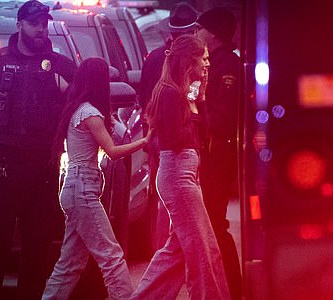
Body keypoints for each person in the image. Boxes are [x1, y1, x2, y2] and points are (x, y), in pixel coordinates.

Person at [0, 1, 77, 298]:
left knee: (38, 250)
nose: (41, 28)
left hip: (44, 171)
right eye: (34, 23)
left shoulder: (62, 67)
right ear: (19, 25)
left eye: (44, 23)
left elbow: (83, 112)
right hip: (2, 170)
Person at [131, 35, 231, 299]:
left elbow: (205, 132)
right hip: (177, 173)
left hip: (187, 172)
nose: (208, 64)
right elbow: (175, 139)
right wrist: (194, 112)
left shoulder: (188, 90)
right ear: (190, 60)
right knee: (204, 249)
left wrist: (201, 95)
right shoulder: (169, 92)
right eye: (204, 58)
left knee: (177, 251)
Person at [42, 57, 151, 300]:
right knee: (111, 256)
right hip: (83, 190)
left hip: (75, 187)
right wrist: (143, 142)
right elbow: (112, 151)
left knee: (70, 264)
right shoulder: (90, 113)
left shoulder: (78, 109)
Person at [137, 1, 200, 253]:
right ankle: (174, 249)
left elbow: (144, 100)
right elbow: (194, 100)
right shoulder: (189, 64)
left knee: (161, 194)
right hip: (180, 136)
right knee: (183, 195)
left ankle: (163, 247)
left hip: (156, 137)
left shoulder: (153, 59)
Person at [196, 7, 243, 300]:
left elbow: (222, 117)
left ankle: (232, 289)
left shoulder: (227, 66)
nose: (195, 34)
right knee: (208, 223)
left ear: (212, 35)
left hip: (218, 155)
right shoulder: (211, 62)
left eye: (199, 29)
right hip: (208, 154)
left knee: (215, 222)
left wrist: (195, 114)